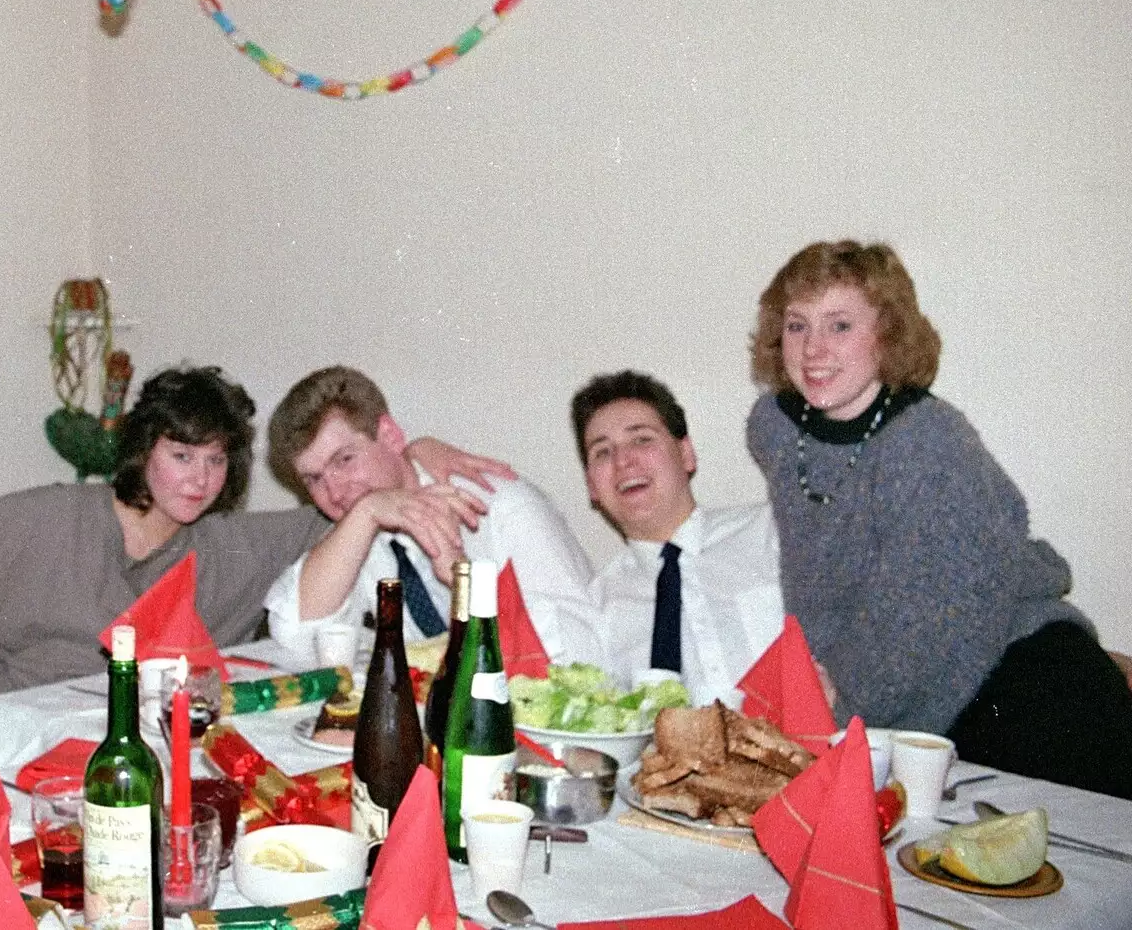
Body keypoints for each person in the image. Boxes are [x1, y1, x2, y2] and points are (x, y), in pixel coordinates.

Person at [0, 366, 509, 693]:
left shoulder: (225, 549)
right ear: (141, 449)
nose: (200, 479)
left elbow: (341, 503)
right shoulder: (50, 520)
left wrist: (420, 456)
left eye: (218, 460)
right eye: (181, 454)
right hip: (9, 758)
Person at [746, 239, 1132, 797]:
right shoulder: (778, 431)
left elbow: (917, 625)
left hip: (1025, 683)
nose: (813, 349)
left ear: (887, 333)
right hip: (923, 709)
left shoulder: (928, 443)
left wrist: (833, 706)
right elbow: (826, 586)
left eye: (841, 325)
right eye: (797, 325)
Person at [263, 366, 601, 663]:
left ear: (390, 436)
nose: (335, 493)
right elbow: (296, 641)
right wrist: (365, 513)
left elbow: (578, 655)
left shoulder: (502, 506)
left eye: (345, 460)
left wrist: (464, 584)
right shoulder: (362, 519)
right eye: (314, 479)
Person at [572, 370, 781, 705]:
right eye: (603, 452)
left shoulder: (774, 531)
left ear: (686, 455)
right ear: (592, 487)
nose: (624, 461)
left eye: (641, 439)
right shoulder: (596, 609)